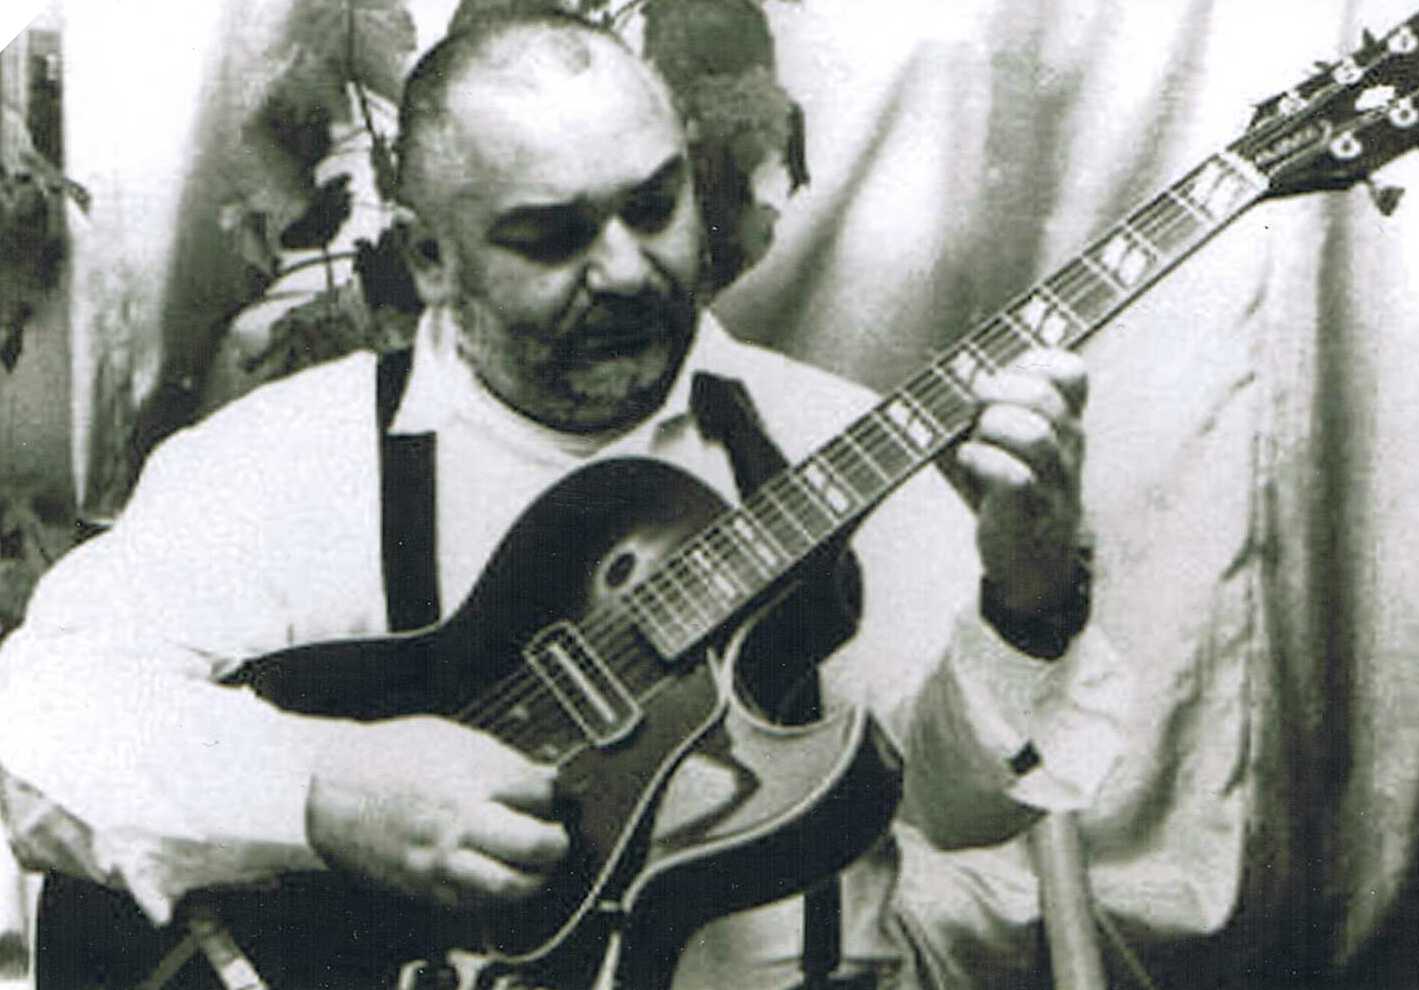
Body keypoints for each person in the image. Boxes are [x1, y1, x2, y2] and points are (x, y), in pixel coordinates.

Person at [0, 10, 1127, 989]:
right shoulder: (285, 461)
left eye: (655, 206)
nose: (628, 268)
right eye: (552, 235)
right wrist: (326, 794)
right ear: (428, 258)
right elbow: (39, 729)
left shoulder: (828, 442)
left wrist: (1027, 605)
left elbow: (964, 810)